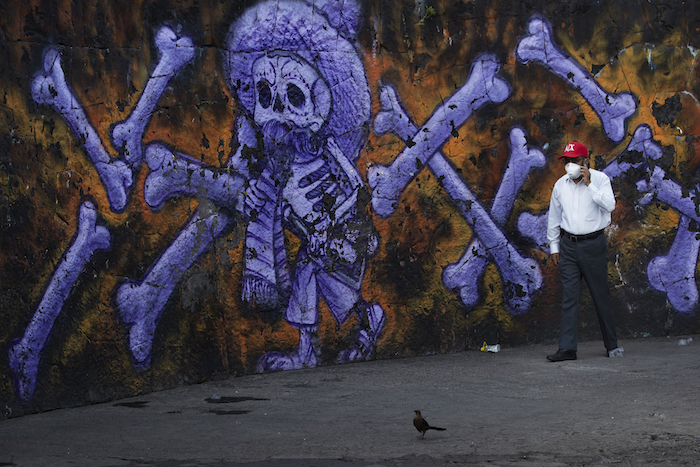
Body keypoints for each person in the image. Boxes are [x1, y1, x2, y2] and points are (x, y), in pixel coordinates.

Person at [546, 141, 623, 361]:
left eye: (575, 161)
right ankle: (567, 348)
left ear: (585, 162)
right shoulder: (560, 185)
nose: (571, 165)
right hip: (568, 246)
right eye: (568, 161)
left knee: (600, 296)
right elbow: (554, 217)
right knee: (569, 297)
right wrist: (554, 246)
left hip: (593, 245)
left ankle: (612, 345)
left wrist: (590, 185)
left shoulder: (600, 180)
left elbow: (610, 206)